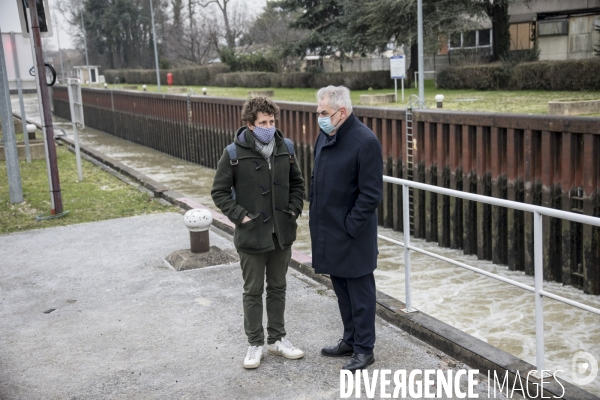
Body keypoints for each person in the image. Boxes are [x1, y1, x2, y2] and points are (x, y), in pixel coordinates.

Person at [211, 97, 305, 369]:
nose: (269, 127)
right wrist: (241, 215)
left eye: (272, 121)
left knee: (278, 287)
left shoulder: (285, 147)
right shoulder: (233, 153)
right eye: (263, 123)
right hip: (251, 234)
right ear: (250, 125)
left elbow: (297, 184)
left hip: (281, 233)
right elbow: (219, 192)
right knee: (253, 291)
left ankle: (277, 339)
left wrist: (294, 210)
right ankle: (255, 344)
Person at [309, 85, 383, 372]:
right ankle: (350, 340)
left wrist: (350, 226)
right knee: (341, 290)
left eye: (324, 113)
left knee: (360, 293)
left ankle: (365, 349)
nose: (320, 118)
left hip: (353, 235)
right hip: (330, 232)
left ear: (342, 111)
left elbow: (371, 194)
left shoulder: (365, 141)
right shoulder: (326, 136)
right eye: (318, 113)